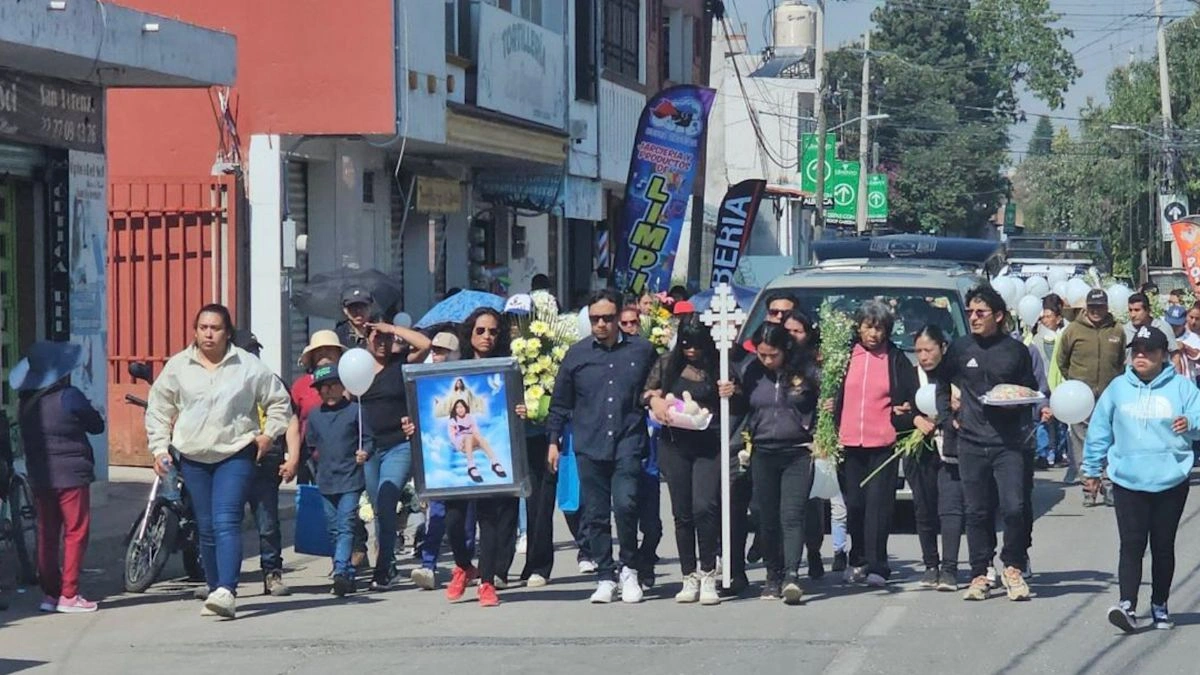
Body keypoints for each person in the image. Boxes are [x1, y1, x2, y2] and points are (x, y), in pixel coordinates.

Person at [146, 304, 291, 619]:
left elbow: (279, 401)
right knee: (206, 526)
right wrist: (159, 449)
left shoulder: (248, 366)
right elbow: (159, 408)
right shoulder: (178, 366)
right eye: (203, 328)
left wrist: (268, 435)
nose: (208, 334)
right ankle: (215, 590)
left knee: (226, 520)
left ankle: (227, 589)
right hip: (193, 456)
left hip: (236, 453)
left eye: (215, 328)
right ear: (195, 331)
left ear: (228, 333)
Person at [547, 288, 658, 604]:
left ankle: (629, 569)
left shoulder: (642, 350)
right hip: (589, 442)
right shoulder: (577, 355)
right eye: (595, 319)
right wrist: (553, 442)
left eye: (608, 319)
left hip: (628, 438)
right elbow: (560, 403)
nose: (601, 325)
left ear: (619, 317)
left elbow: (658, 385)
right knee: (594, 514)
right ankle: (605, 576)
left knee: (626, 504)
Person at [1085, 326, 1199, 633]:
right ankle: (1127, 605)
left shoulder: (1182, 389)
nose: (1141, 356)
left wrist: (1191, 421)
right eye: (1136, 350)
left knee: (1163, 546)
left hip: (1170, 481)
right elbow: (1099, 430)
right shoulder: (1118, 388)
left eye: (1148, 351)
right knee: (1131, 545)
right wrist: (1092, 470)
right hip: (1128, 481)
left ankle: (1160, 604)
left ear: (1163, 355)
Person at [936, 285, 1043, 603]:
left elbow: (1031, 390)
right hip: (971, 441)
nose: (973, 318)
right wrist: (947, 418)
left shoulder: (1015, 351)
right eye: (969, 312)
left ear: (998, 316)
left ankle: (1013, 566)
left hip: (1008, 443)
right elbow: (942, 384)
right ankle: (979, 573)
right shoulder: (960, 348)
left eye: (980, 312)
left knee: (1014, 507)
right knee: (977, 512)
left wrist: (1018, 404)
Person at [645, 317, 734, 605]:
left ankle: (709, 572)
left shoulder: (718, 364)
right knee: (681, 512)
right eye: (686, 345)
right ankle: (689, 575)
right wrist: (655, 402)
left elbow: (740, 396)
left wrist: (730, 391)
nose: (691, 351)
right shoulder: (667, 363)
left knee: (704, 506)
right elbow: (646, 393)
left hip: (708, 444)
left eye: (696, 346)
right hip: (675, 444)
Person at [443, 307, 527, 607]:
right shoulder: (452, 370)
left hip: (489, 444)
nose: (487, 336)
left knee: (489, 520)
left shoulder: (509, 370)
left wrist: (522, 410)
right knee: (453, 520)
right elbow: (432, 412)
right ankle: (465, 566)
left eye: (493, 331)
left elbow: (516, 407)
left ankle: (488, 581)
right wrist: (413, 423)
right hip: (456, 451)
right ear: (470, 333)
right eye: (481, 331)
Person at [13, 341, 104, 613]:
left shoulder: (25, 403)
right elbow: (96, 426)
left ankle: (50, 594)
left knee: (47, 533)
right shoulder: (70, 396)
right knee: (75, 532)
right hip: (72, 476)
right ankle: (69, 594)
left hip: (41, 477)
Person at [831, 300, 917, 587]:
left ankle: (879, 564)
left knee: (878, 506)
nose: (873, 334)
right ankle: (857, 559)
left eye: (880, 329)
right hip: (850, 442)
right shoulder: (845, 356)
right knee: (854, 505)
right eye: (868, 327)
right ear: (859, 327)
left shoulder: (895, 359)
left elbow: (911, 397)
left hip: (883, 443)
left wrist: (903, 411)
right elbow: (831, 391)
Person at [743, 323, 819, 604]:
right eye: (762, 354)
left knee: (791, 513)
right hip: (763, 450)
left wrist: (820, 427)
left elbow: (822, 400)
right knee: (766, 516)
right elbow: (742, 404)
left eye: (772, 354)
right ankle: (771, 575)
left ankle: (791, 575)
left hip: (797, 451)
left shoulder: (805, 371)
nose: (767, 360)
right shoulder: (751, 371)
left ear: (784, 349)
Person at [357, 322, 425, 591]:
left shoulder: (400, 362)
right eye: (377, 336)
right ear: (366, 338)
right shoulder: (357, 365)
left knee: (386, 501)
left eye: (387, 337)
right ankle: (390, 562)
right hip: (370, 448)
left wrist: (391, 326)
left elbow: (425, 345)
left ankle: (383, 569)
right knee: (377, 509)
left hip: (399, 444)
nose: (383, 341)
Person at [783, 310, 845, 577]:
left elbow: (831, 392)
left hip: (814, 437)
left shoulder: (818, 364)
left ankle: (814, 550)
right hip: (782, 437)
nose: (792, 336)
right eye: (788, 331)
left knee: (813, 499)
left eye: (798, 331)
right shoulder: (777, 361)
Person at [412, 331, 476, 591]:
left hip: (464, 456)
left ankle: (465, 564)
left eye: (442, 351)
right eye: (434, 351)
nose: (436, 355)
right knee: (436, 513)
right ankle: (428, 564)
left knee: (467, 516)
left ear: (454, 354)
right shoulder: (423, 381)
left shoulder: (469, 381)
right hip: (437, 455)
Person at [305, 363, 373, 597]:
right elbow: (310, 447)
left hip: (351, 479)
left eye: (331, 386)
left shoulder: (356, 411)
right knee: (333, 529)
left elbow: (369, 439)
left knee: (345, 525)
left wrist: (365, 452)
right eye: (321, 388)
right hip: (326, 480)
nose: (326, 391)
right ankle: (347, 574)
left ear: (342, 386)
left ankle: (341, 572)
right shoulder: (315, 416)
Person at [1057, 289, 1125, 499]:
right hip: (1080, 396)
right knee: (1082, 440)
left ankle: (1108, 483)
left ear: (1107, 307)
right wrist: (1076, 383)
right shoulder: (1073, 330)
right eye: (1092, 307)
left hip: (1108, 394)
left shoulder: (1117, 330)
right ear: (1086, 308)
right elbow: (1062, 361)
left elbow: (1121, 361)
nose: (1096, 311)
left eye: (1100, 307)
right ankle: (1089, 485)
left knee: (1109, 438)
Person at [910, 325, 963, 591]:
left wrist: (956, 409)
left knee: (951, 508)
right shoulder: (909, 376)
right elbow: (894, 408)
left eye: (928, 350)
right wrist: (913, 418)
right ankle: (931, 564)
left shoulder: (955, 375)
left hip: (950, 449)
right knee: (924, 508)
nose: (923, 356)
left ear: (942, 348)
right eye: (918, 350)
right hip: (919, 450)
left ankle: (950, 568)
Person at [1028, 295, 1068, 469]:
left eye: (1049, 316)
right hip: (1041, 383)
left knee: (1060, 421)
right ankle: (1042, 454)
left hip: (1060, 385)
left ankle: (1059, 453)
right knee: (1042, 419)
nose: (1045, 320)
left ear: (1058, 318)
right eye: (1043, 316)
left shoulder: (1065, 336)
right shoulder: (1035, 337)